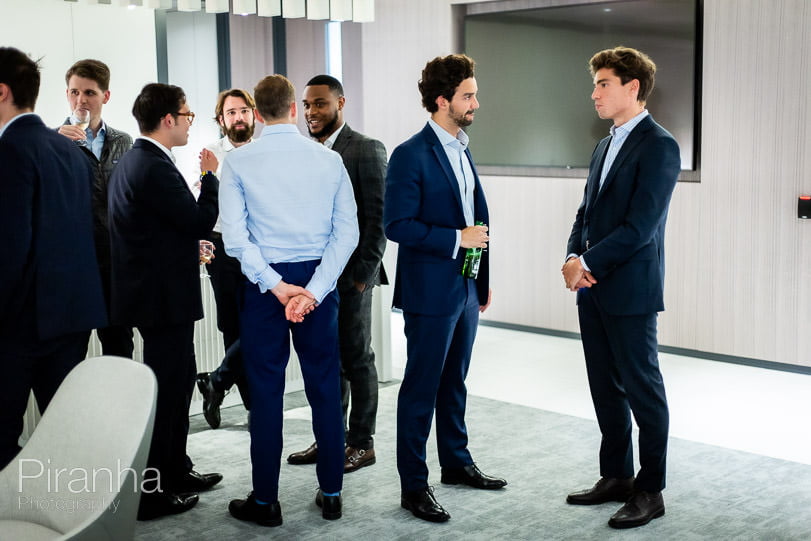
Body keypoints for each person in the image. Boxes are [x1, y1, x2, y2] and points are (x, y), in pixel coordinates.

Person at [221, 74, 358, 527]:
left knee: (266, 394)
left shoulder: (238, 164)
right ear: (294, 110)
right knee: (324, 386)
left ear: (257, 115)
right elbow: (348, 235)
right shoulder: (329, 160)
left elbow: (236, 241)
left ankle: (266, 500)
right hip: (317, 282)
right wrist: (313, 291)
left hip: (266, 289)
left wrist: (277, 287)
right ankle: (332, 492)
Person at [562, 46, 680, 529]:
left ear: (632, 88)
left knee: (642, 388)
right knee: (604, 389)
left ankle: (650, 489)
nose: (594, 93)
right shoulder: (604, 143)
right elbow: (585, 213)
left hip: (630, 289)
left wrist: (586, 261)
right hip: (592, 286)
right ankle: (616, 476)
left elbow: (640, 227)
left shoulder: (659, 145)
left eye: (603, 84)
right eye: (595, 84)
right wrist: (573, 256)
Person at [384, 54, 506, 524]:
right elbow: (397, 225)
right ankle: (414, 485)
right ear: (442, 101)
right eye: (468, 95)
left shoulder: (461, 146)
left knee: (455, 381)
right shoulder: (410, 154)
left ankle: (455, 463)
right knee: (421, 387)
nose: (476, 101)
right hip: (430, 293)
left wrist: (482, 280)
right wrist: (458, 240)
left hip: (466, 288)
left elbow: (475, 215)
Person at [108, 83, 223, 520]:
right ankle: (153, 491)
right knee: (166, 395)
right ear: (169, 119)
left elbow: (150, 232)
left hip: (156, 297)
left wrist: (183, 248)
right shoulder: (152, 165)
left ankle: (177, 470)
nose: (192, 121)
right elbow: (198, 218)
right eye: (188, 114)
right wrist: (210, 177)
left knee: (176, 389)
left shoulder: (136, 160)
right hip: (161, 302)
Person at [0, 47, 107, 470]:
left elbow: (10, 248)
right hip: (72, 317)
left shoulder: (9, 151)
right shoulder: (69, 151)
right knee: (66, 435)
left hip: (19, 323)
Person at [286, 74, 387, 473]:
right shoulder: (306, 151)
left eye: (320, 104)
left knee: (357, 359)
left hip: (353, 279)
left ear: (340, 104)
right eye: (307, 105)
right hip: (317, 277)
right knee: (328, 361)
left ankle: (362, 443)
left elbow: (379, 218)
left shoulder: (366, 149)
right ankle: (331, 436)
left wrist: (363, 275)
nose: (311, 112)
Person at [57, 59, 134, 358]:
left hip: (115, 263)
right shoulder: (52, 141)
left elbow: (131, 200)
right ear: (67, 94)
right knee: (70, 350)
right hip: (74, 264)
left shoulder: (123, 142)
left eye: (89, 93)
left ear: (106, 96)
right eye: (74, 92)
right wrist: (55, 147)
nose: (81, 100)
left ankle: (122, 407)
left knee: (119, 347)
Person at [195, 88, 257, 428]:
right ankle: (253, 408)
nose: (238, 117)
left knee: (261, 324)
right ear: (221, 119)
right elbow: (203, 201)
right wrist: (202, 242)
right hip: (221, 247)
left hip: (259, 246)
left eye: (243, 111)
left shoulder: (265, 152)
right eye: (231, 112)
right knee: (232, 326)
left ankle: (216, 381)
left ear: (253, 115)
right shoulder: (210, 155)